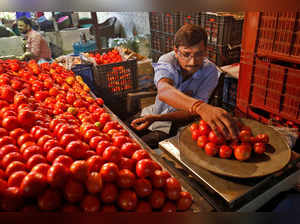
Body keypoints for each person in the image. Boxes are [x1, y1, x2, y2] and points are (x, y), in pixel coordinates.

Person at [130, 24, 239, 148]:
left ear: (206, 51)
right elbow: (164, 91)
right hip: (153, 111)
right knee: (122, 131)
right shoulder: (168, 60)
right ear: (176, 51)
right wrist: (200, 107)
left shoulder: (211, 72)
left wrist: (158, 118)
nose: (193, 62)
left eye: (199, 54)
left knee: (137, 148)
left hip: (175, 124)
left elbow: (190, 114)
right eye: (186, 54)